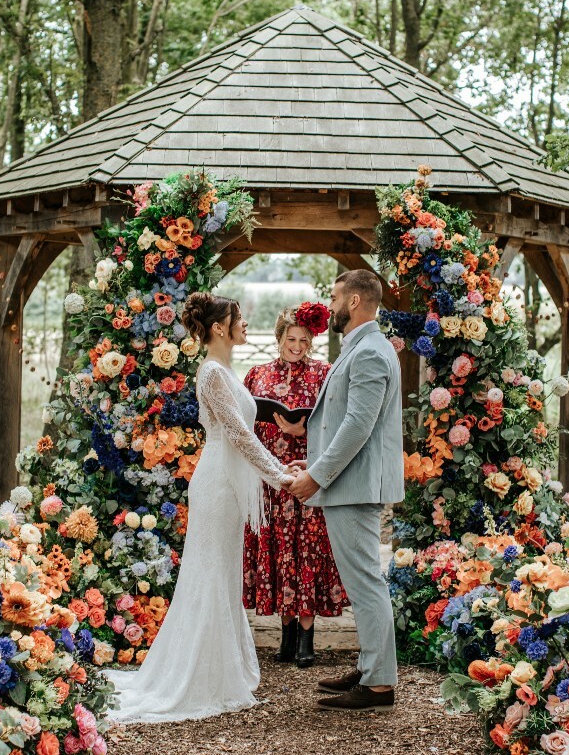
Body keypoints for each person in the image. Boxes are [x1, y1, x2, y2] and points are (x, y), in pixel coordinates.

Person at [107, 292, 297, 724]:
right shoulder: (212, 373)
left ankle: (221, 667)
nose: (246, 324)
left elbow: (247, 426)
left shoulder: (225, 371)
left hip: (226, 484)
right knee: (209, 573)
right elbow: (238, 435)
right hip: (216, 484)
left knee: (223, 573)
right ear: (218, 327)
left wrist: (280, 462)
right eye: (239, 318)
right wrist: (278, 475)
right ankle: (201, 675)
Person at [288, 269, 404, 713]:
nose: (330, 304)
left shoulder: (371, 351)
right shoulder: (361, 347)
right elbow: (343, 420)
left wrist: (317, 477)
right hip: (346, 483)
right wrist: (313, 462)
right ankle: (371, 666)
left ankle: (378, 685)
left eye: (335, 296)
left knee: (366, 583)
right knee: (362, 582)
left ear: (354, 301)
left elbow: (358, 426)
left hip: (353, 488)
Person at [243, 303, 347, 669]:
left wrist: (303, 429)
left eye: (304, 339)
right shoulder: (257, 374)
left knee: (306, 553)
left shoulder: (324, 374)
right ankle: (285, 637)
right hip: (271, 481)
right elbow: (245, 424)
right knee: (279, 552)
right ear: (279, 338)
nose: (297, 346)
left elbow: (339, 423)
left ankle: (307, 637)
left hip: (308, 475)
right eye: (291, 339)